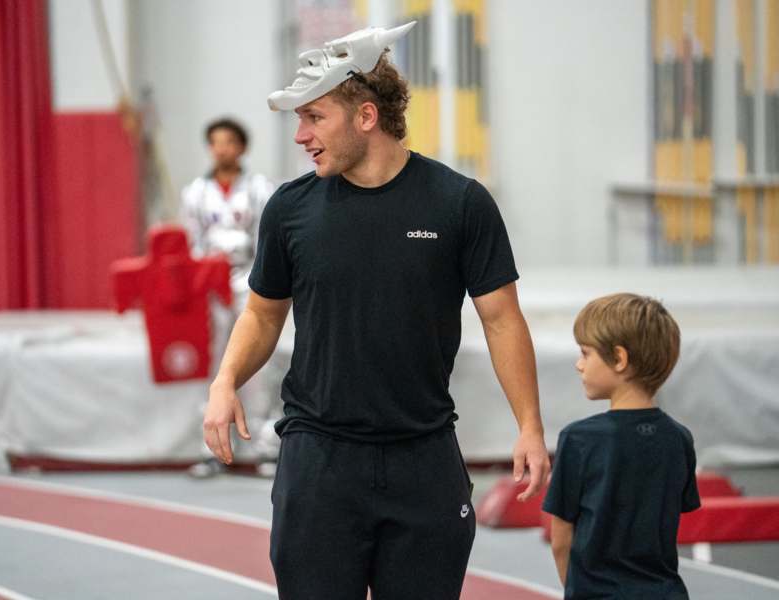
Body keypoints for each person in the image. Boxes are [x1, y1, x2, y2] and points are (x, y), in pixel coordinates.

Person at [203, 22, 550, 599]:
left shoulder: (459, 203)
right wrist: (225, 380)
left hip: (424, 458)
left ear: (366, 116)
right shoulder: (290, 210)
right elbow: (263, 315)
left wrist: (531, 427)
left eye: (314, 117)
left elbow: (501, 320)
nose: (300, 136)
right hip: (318, 460)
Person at [543, 293, 701, 599]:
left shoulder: (578, 440)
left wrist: (575, 590)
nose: (579, 365)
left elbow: (561, 540)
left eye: (585, 354)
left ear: (619, 359)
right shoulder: (680, 439)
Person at [181, 117, 277, 478]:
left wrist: (264, 284)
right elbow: (193, 242)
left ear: (242, 148)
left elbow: (266, 239)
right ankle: (211, 449)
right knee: (214, 366)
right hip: (209, 287)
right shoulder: (194, 192)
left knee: (257, 364)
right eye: (215, 142)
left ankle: (266, 448)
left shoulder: (259, 188)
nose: (222, 149)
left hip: (250, 281)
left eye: (229, 142)